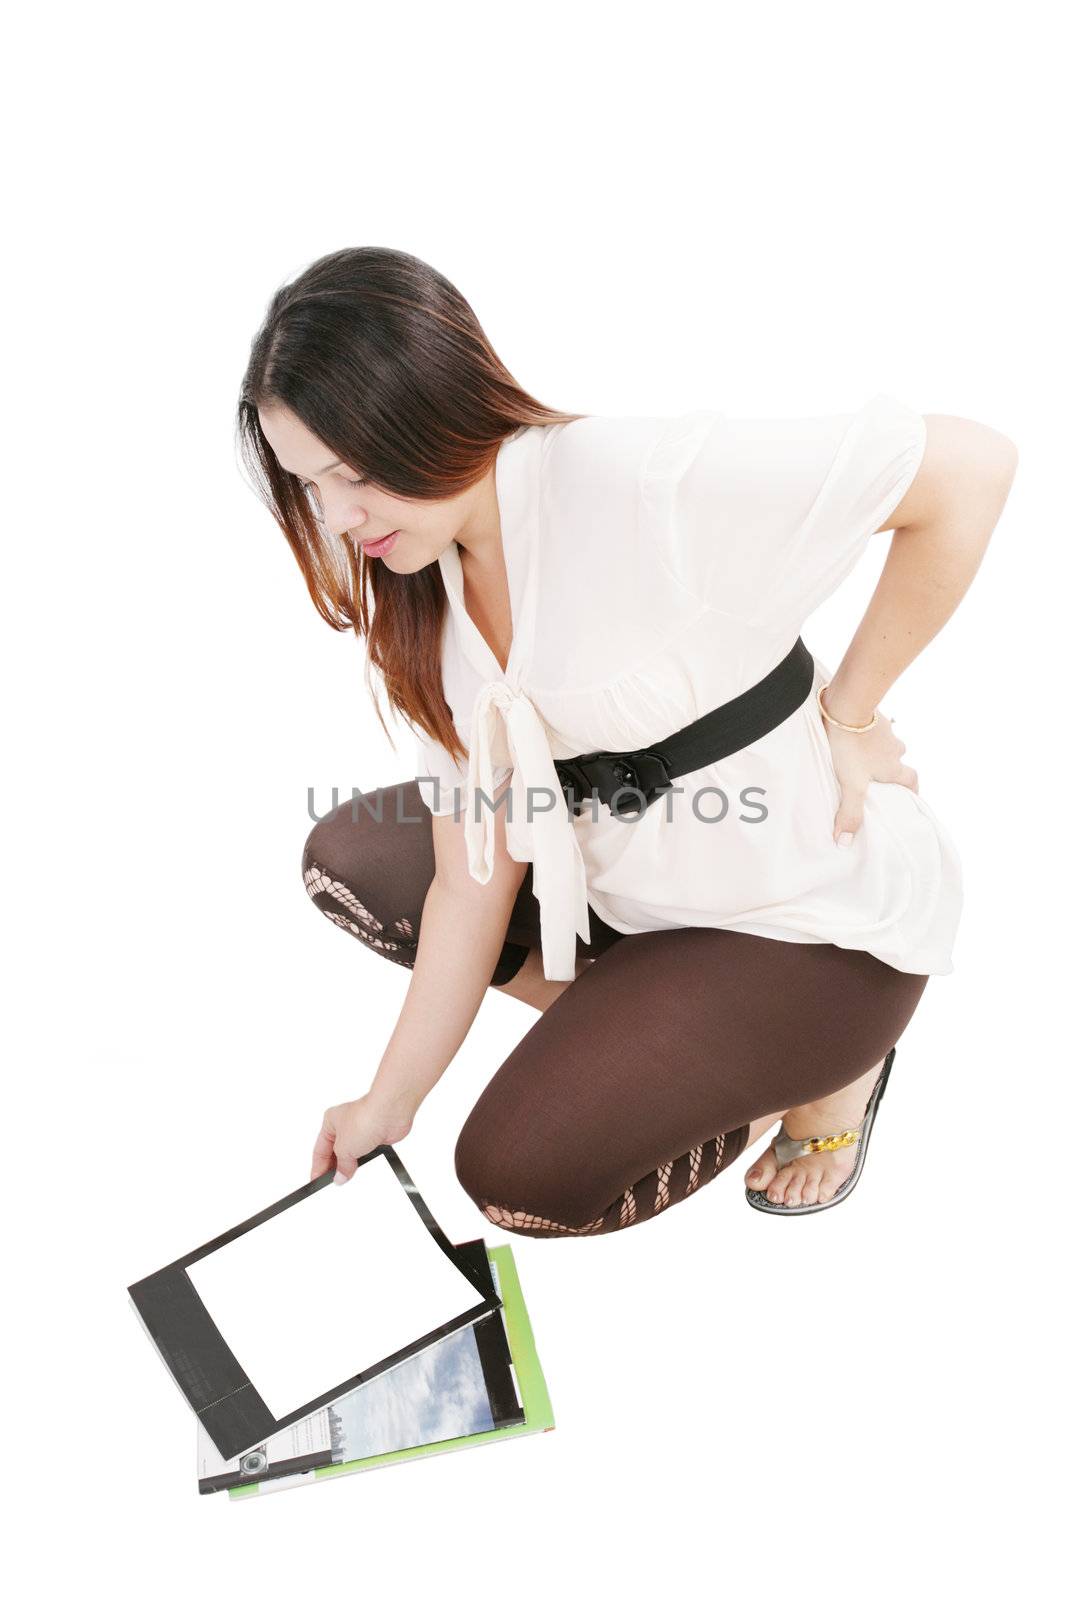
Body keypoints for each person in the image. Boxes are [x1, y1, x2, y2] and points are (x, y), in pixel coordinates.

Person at [238, 245, 1017, 1230]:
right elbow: (470, 879)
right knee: (351, 862)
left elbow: (968, 469)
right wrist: (389, 1101)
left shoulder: (629, 482)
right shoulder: (424, 595)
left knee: (521, 1180)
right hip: (644, 911)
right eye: (311, 486)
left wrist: (850, 712)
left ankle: (825, 1074)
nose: (341, 519)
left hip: (801, 923)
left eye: (355, 474)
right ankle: (653, 1042)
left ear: (430, 411)